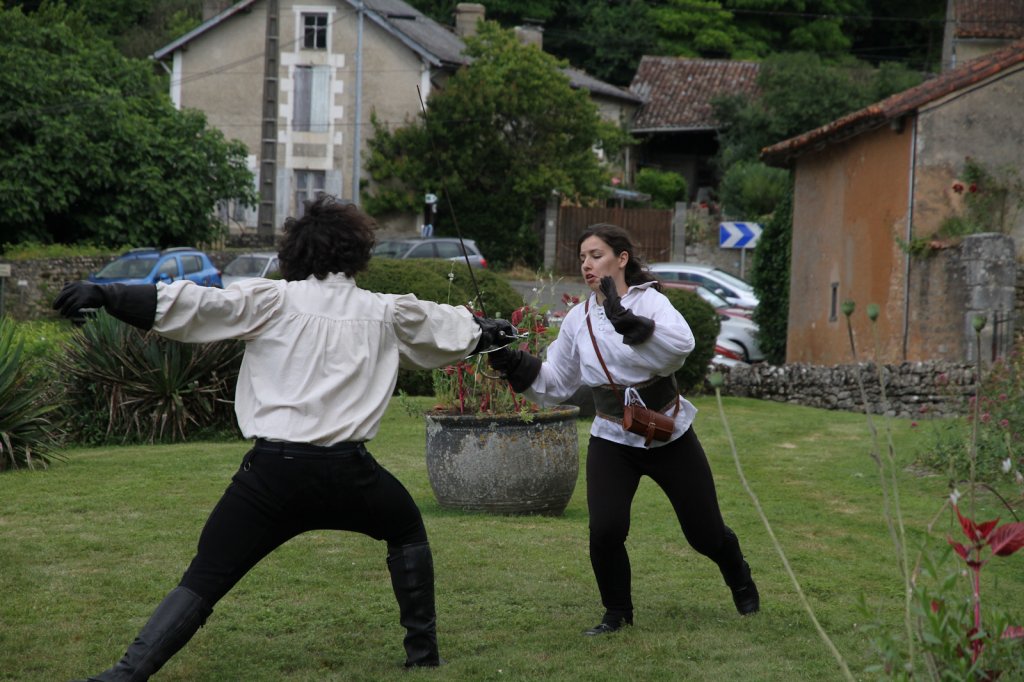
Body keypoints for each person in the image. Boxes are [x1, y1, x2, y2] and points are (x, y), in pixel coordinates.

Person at [52, 194, 517, 680]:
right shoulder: (383, 311)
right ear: (357, 251)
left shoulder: (272, 300)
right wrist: (486, 332)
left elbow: (196, 304)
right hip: (351, 476)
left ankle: (124, 675)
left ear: (296, 251)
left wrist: (107, 294)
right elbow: (446, 327)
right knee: (406, 530)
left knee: (206, 576)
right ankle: (423, 656)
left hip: (271, 478)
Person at [488, 223, 759, 636]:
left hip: (668, 433)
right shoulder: (578, 319)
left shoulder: (650, 301)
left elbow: (679, 349)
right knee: (606, 529)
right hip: (612, 437)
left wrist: (627, 321)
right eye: (582, 257)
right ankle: (616, 613)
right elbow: (556, 382)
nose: (587, 264)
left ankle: (739, 576)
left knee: (704, 534)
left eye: (596, 255)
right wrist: (510, 361)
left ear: (621, 259)